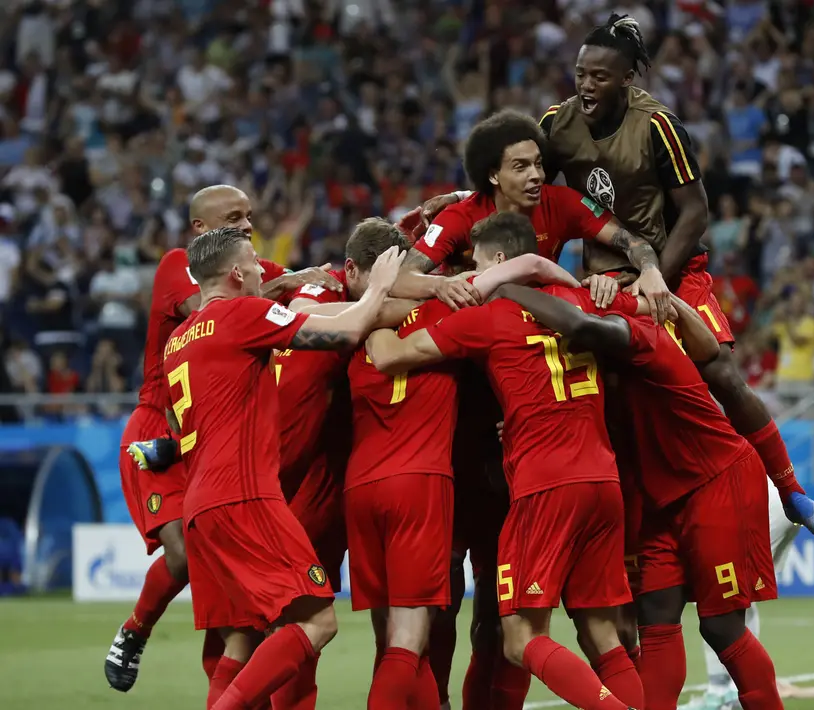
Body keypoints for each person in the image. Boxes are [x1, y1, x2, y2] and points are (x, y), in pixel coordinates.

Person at [408, 14, 814, 540]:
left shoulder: (657, 126)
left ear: (627, 79)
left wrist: (656, 276)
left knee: (720, 370)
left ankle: (788, 487)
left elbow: (696, 213)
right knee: (605, 388)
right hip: (605, 276)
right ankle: (624, 527)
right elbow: (515, 168)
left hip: (673, 269)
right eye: (581, 74)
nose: (586, 85)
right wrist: (459, 196)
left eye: (600, 77)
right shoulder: (556, 123)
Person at [365, 212, 646, 710]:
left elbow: (392, 357)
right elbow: (649, 309)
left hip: (544, 487)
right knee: (603, 635)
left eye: (476, 263)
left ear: (498, 261)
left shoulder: (488, 318)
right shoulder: (582, 300)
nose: (471, 275)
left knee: (519, 639)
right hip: (604, 482)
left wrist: (367, 318)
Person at [492, 282, 788, 710]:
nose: (599, 284)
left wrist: (508, 284)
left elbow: (582, 325)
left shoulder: (644, 334)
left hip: (715, 483)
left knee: (721, 627)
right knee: (653, 616)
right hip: (658, 496)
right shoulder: (610, 362)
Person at [106, 184, 342, 693]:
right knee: (184, 556)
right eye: (235, 219)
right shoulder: (181, 264)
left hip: (206, 439)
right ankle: (134, 630)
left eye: (249, 217)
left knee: (241, 622)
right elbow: (214, 307)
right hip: (158, 431)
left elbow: (310, 282)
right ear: (200, 229)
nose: (247, 228)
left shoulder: (248, 270)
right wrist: (289, 285)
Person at [163, 227, 401, 708]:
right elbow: (346, 331)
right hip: (245, 495)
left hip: (201, 506)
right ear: (235, 272)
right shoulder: (241, 313)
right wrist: (379, 286)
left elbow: (175, 417)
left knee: (243, 636)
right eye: (254, 262)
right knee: (316, 621)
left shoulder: (178, 341)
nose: (262, 271)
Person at [399, 109, 673, 322]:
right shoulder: (459, 216)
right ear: (493, 175)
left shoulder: (561, 202)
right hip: (473, 325)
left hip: (537, 319)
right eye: (520, 167)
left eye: (538, 164)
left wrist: (649, 270)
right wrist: (440, 286)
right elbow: (403, 277)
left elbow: (632, 242)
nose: (535, 176)